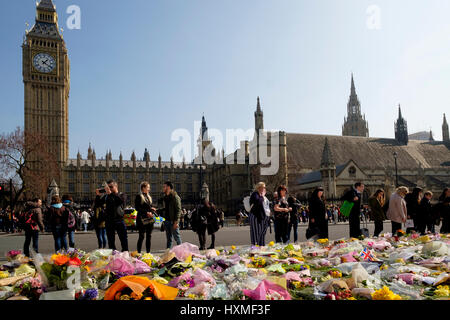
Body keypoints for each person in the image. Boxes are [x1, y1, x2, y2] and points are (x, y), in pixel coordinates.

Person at [96, 180, 128, 252]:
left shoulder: (122, 194)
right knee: (111, 241)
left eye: (111, 187)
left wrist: (110, 194)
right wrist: (98, 196)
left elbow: (119, 201)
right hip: (109, 221)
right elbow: (98, 204)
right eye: (108, 187)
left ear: (116, 186)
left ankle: (125, 254)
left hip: (119, 220)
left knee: (123, 240)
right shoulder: (106, 197)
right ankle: (113, 256)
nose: (109, 189)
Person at [135, 182, 157, 253]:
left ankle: (148, 252)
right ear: (143, 188)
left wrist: (152, 209)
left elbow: (148, 207)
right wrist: (146, 212)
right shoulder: (139, 196)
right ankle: (139, 253)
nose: (149, 189)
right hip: (142, 219)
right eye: (148, 187)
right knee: (141, 236)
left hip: (149, 218)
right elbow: (137, 208)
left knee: (149, 236)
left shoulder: (148, 196)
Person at [161, 181, 182, 249]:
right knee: (169, 239)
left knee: (177, 238)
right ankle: (168, 252)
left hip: (173, 221)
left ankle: (181, 251)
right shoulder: (165, 197)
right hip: (166, 220)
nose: (163, 188)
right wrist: (157, 210)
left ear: (168, 187)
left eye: (164, 187)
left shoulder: (175, 197)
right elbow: (166, 209)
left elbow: (178, 210)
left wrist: (176, 222)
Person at [249, 182, 270, 246]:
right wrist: (262, 196)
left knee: (262, 234)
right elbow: (258, 202)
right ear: (259, 188)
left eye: (264, 187)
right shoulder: (255, 194)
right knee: (256, 234)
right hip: (256, 217)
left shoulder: (263, 196)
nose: (264, 189)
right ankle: (255, 249)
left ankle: (262, 247)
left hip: (264, 217)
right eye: (263, 187)